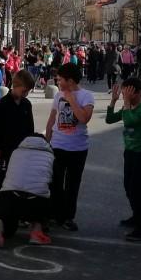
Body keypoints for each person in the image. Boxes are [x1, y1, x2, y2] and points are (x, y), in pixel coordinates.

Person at [46, 63, 94, 231]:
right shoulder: (58, 95)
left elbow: (84, 119)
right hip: (58, 145)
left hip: (78, 147)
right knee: (55, 182)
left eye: (60, 79)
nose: (58, 81)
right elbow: (52, 119)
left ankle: (68, 216)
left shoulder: (86, 96)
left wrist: (72, 99)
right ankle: (55, 214)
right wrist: (47, 141)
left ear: (70, 80)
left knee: (72, 184)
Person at [107, 76, 141, 241]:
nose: (124, 94)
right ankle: (138, 216)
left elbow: (129, 121)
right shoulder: (127, 108)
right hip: (130, 153)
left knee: (136, 189)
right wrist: (113, 101)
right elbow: (109, 119)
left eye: (128, 92)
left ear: (139, 93)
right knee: (128, 186)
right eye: (124, 91)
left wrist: (126, 103)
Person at [0, 133, 56, 247]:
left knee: (10, 227)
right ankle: (37, 231)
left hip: (8, 198)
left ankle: (2, 226)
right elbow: (53, 182)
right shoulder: (49, 155)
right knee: (47, 194)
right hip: (35, 201)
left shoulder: (16, 152)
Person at [0, 69, 35, 194]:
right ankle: (0, 201)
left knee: (20, 177)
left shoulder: (26, 104)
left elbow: (30, 127)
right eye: (24, 91)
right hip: (5, 148)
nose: (26, 94)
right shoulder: (3, 103)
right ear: (16, 86)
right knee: (2, 177)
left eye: (28, 91)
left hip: (22, 148)